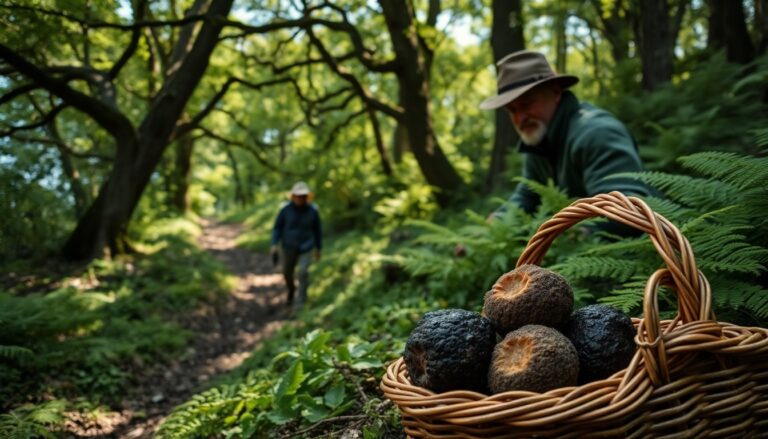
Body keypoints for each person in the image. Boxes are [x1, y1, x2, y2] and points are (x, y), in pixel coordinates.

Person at [479, 50, 651, 224]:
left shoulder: (596, 133)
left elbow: (627, 210)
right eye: (512, 110)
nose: (520, 118)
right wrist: (494, 226)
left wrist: (570, 236)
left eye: (526, 104)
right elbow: (528, 195)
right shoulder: (538, 143)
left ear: (556, 93)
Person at [271, 181, 322, 309]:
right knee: (287, 272)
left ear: (307, 197)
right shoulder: (285, 210)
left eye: (303, 196)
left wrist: (318, 248)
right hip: (288, 246)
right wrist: (274, 244)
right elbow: (277, 228)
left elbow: (317, 230)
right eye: (298, 196)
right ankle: (291, 290)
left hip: (307, 246)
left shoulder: (313, 211)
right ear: (293, 196)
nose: (300, 198)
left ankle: (301, 301)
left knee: (303, 272)